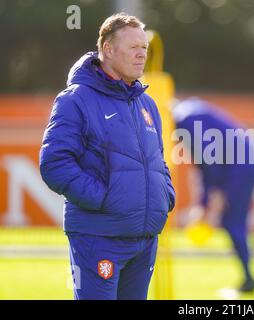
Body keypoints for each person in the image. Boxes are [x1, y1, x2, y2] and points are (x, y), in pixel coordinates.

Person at [39, 13, 175, 300]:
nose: (141, 55)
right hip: (98, 238)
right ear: (108, 50)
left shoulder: (146, 103)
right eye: (133, 48)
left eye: (144, 48)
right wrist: (104, 200)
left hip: (144, 240)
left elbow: (158, 161)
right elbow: (55, 164)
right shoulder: (74, 99)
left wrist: (165, 196)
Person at [172, 97, 254, 292]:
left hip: (240, 165)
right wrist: (204, 203)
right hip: (244, 161)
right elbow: (207, 162)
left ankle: (249, 278)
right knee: (234, 220)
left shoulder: (184, 119)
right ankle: (248, 274)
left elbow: (208, 160)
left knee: (233, 221)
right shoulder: (190, 110)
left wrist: (213, 197)